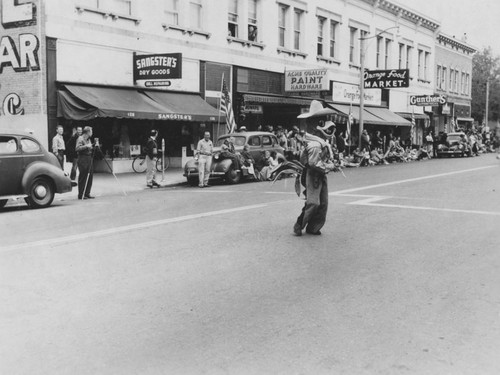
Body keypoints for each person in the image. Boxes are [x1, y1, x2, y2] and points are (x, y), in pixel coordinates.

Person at [293, 121, 336, 236]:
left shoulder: (322, 143)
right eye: (327, 129)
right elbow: (313, 163)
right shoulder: (315, 144)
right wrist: (330, 166)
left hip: (321, 174)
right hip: (313, 174)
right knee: (313, 202)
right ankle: (299, 224)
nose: (329, 131)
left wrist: (329, 163)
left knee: (323, 204)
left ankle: (313, 227)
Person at [75, 126, 95, 199]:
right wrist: (86, 146)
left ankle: (87, 193)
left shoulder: (89, 139)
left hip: (89, 157)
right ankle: (81, 194)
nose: (92, 133)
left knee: (90, 175)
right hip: (82, 158)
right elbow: (77, 148)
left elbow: (90, 147)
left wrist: (93, 146)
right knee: (83, 176)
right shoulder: (80, 138)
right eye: (91, 131)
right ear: (88, 132)